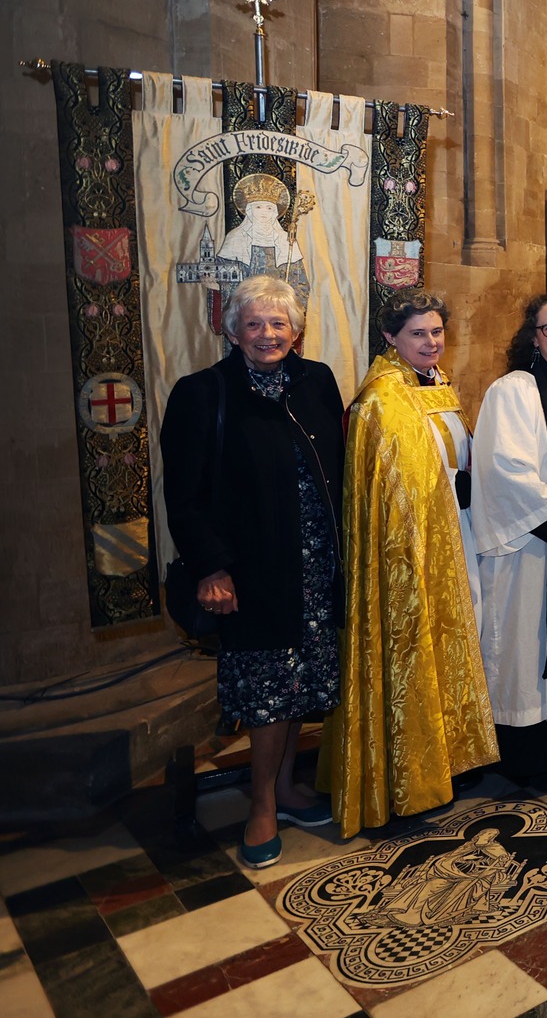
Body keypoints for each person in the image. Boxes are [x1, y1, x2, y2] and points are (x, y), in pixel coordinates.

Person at [162, 274, 344, 867]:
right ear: (232, 328)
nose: (267, 334)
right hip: (251, 572)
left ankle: (288, 786)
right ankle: (261, 805)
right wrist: (211, 568)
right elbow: (183, 496)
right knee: (268, 691)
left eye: (278, 323)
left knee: (301, 687)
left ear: (297, 330)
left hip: (315, 567)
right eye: (254, 323)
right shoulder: (203, 392)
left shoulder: (316, 382)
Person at [322, 290, 497, 838]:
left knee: (453, 643)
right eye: (419, 334)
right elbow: (389, 492)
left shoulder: (438, 385)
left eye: (438, 332)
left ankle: (447, 757)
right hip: (409, 553)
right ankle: (406, 776)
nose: (431, 342)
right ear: (391, 338)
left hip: (456, 536)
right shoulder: (381, 401)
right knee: (411, 649)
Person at [469, 293, 547, 795]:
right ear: (532, 336)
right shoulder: (512, 391)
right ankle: (528, 754)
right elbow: (504, 466)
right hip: (531, 546)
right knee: (527, 644)